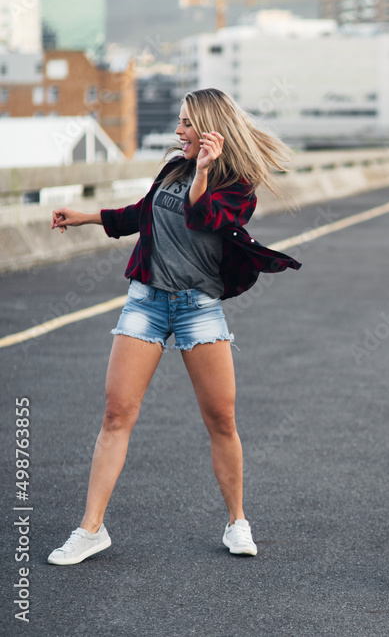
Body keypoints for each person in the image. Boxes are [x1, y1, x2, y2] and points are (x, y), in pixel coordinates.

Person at [47, 88, 301, 565]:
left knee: (221, 420)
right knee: (116, 414)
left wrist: (204, 173)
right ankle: (90, 529)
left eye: (186, 123)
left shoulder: (238, 185)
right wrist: (83, 217)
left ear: (208, 129)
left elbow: (203, 217)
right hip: (146, 301)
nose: (178, 131)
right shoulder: (173, 171)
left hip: (198, 307)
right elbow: (142, 215)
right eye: (180, 123)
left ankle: (236, 522)